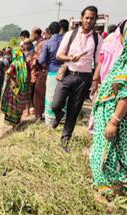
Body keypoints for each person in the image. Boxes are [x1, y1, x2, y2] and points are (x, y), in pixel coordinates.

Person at [52, 6, 103, 152]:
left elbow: (100, 61)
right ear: (82, 18)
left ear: (95, 20)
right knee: (56, 104)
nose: (89, 21)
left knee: (74, 110)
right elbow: (58, 55)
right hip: (68, 74)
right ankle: (59, 114)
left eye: (92, 18)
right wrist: (70, 58)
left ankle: (64, 142)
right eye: (87, 17)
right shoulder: (70, 34)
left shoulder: (97, 39)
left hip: (84, 79)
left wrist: (95, 79)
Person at [90, 31, 127, 199]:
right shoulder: (122, 60)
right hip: (108, 118)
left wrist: (114, 121)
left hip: (113, 120)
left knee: (111, 154)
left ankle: (112, 192)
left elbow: (124, 95)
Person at [88, 19, 127, 134]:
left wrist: (114, 121)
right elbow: (102, 59)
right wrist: (96, 79)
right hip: (106, 83)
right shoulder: (111, 42)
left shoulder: (124, 64)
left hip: (116, 116)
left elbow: (124, 95)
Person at [38, 22, 63, 125]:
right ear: (60, 29)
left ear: (50, 31)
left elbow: (41, 60)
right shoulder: (65, 41)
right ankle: (62, 118)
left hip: (52, 72)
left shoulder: (47, 43)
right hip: (64, 72)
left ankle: (50, 120)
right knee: (62, 95)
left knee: (50, 95)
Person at [1, 48, 30, 126]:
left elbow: (8, 72)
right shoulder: (26, 63)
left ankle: (13, 124)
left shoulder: (14, 63)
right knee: (19, 105)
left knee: (13, 105)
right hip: (23, 87)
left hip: (15, 87)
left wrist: (14, 78)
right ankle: (18, 122)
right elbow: (28, 75)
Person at [31, 27, 47, 120]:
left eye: (32, 33)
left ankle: (39, 115)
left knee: (39, 95)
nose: (32, 36)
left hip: (41, 71)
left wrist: (35, 60)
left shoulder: (41, 44)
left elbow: (41, 59)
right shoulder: (38, 43)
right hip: (39, 71)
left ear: (36, 34)